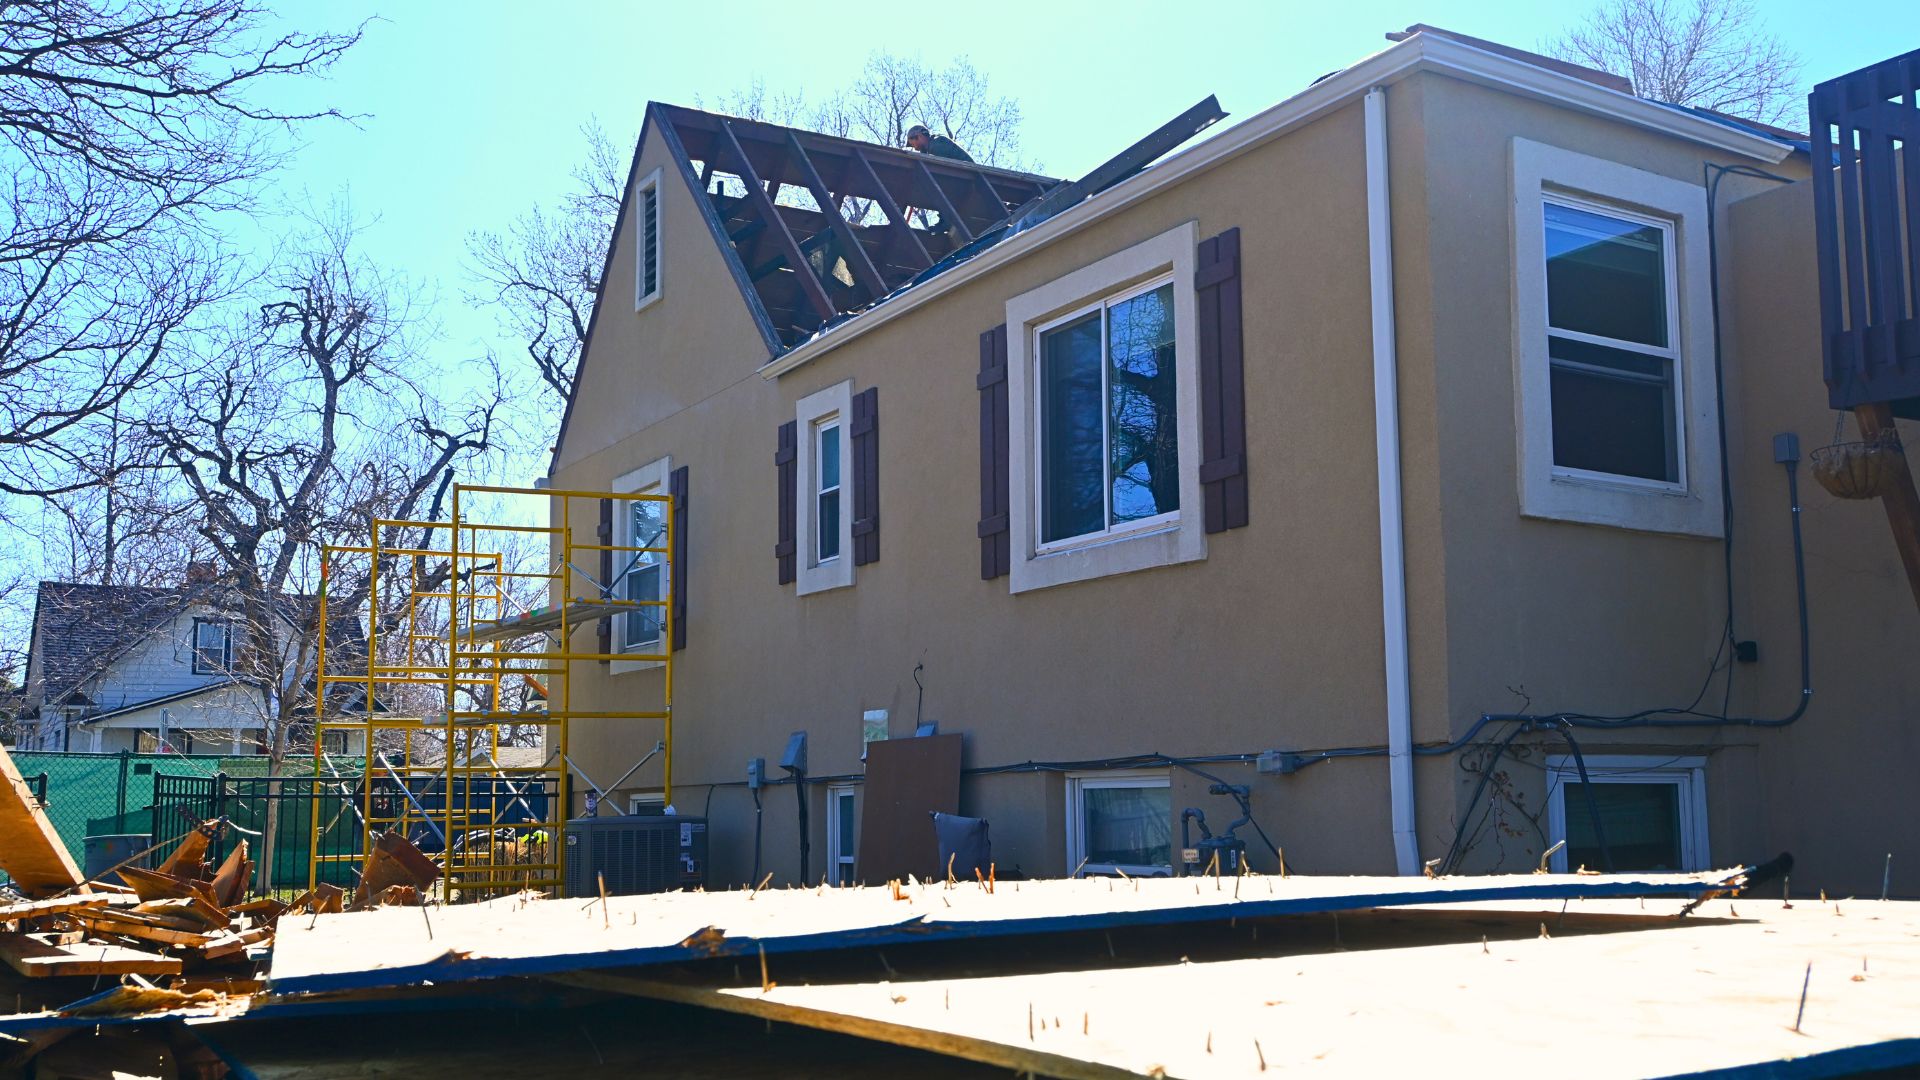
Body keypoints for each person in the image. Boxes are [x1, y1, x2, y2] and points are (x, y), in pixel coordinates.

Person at [906, 124, 973, 163]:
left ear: (920, 137)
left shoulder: (937, 144)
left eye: (913, 144)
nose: (914, 148)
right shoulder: (930, 149)